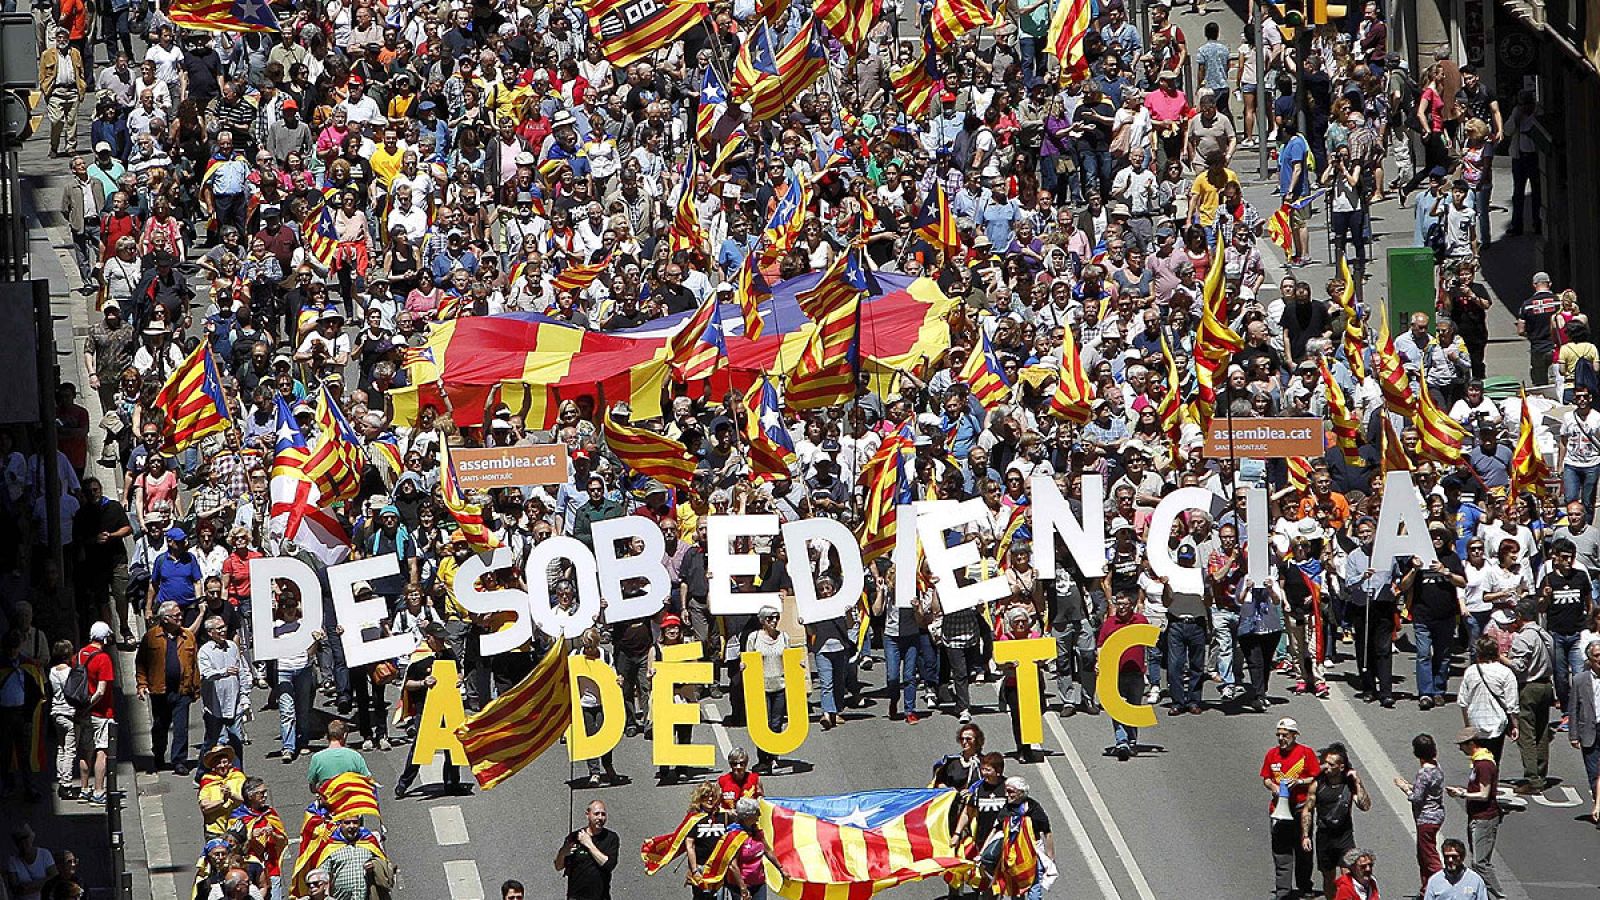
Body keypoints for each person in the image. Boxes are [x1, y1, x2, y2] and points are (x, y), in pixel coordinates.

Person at [395, 622, 466, 798]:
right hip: (426, 709)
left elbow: (459, 671)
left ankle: (452, 783)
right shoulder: (419, 658)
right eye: (439, 639)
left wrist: (459, 679)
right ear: (429, 638)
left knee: (452, 745)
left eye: (443, 638)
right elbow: (407, 684)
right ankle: (404, 783)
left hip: (447, 706)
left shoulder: (448, 653)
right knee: (420, 746)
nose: (442, 642)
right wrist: (423, 683)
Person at [135, 599, 201, 775]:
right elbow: (141, 662)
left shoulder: (188, 636)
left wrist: (195, 688)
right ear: (164, 619)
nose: (180, 618)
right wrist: (142, 683)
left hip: (182, 690)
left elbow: (193, 664)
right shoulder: (151, 637)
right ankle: (158, 755)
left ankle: (179, 761)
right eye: (176, 616)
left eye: (180, 615)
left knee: (181, 728)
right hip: (159, 691)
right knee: (160, 726)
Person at [1300, 743, 1372, 898]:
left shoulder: (1349, 785)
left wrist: (1358, 783)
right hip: (1324, 836)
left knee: (1347, 875)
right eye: (1325, 763)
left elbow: (1365, 805)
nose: (1326, 767)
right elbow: (1308, 809)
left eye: (1331, 764)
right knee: (1328, 877)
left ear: (1341, 767)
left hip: (1344, 836)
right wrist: (1305, 835)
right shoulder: (1317, 785)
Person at [1262, 717, 1319, 900]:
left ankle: (1304, 886)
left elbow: (1316, 777)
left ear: (1294, 735)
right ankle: (1283, 891)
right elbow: (1266, 778)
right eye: (1278, 735)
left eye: (1285, 735)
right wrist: (1274, 787)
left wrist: (1300, 781)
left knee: (1303, 848)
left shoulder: (1306, 753)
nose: (1281, 738)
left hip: (1301, 808)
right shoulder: (1272, 754)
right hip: (1279, 808)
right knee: (1281, 851)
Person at [1446, 728, 1504, 898]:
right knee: (1477, 860)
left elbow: (1484, 794)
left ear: (1471, 743)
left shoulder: (1483, 765)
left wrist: (1461, 793)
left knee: (1480, 863)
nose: (1460, 749)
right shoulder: (1478, 762)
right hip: (1476, 816)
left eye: (1462, 745)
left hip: (1484, 818)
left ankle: (1500, 896)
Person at [1097, 591, 1149, 760]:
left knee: (1133, 708)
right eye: (1119, 604)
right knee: (1117, 709)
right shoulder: (1109, 623)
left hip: (1136, 672)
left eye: (1125, 604)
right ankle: (1122, 742)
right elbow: (1101, 646)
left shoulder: (1140, 621)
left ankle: (1132, 741)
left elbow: (1151, 644)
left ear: (1132, 605)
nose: (1122, 608)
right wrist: (1100, 664)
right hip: (1115, 673)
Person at [1393, 733, 1447, 891]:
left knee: (1429, 856)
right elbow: (1427, 790)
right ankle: (1426, 888)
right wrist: (1412, 786)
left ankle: (1442, 886)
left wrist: (1404, 787)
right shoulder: (1437, 767)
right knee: (1422, 855)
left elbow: (1417, 797)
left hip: (1426, 818)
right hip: (1437, 813)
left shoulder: (1424, 773)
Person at [556, 800, 619, 900]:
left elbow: (608, 865)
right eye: (596, 814)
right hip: (576, 896)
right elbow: (558, 866)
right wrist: (562, 853)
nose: (600, 818)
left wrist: (588, 843)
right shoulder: (574, 836)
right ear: (587, 815)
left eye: (603, 814)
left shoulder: (611, 838)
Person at [306, 719, 372, 793]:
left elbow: (312, 787)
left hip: (328, 800)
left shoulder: (317, 758)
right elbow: (368, 779)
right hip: (350, 799)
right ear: (344, 735)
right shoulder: (355, 756)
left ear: (327, 736)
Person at [1422, 838, 1489, 899]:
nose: (1450, 860)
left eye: (1454, 856)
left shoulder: (1476, 881)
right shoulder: (1434, 881)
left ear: (1462, 857)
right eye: (1446, 857)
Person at [4, 824, 57, 900]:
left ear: (31, 838)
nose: (23, 843)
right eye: (19, 840)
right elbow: (16, 889)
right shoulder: (13, 861)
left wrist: (30, 886)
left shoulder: (44, 854)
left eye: (25, 838)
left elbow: (55, 878)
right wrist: (44, 882)